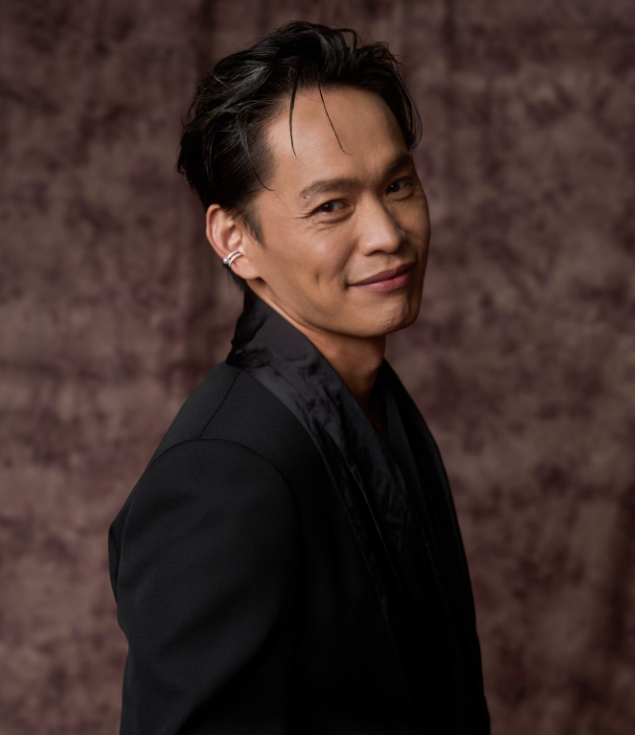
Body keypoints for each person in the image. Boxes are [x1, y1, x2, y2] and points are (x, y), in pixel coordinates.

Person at [108, 20, 490, 734]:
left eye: (398, 185)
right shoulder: (222, 474)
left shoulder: (377, 403)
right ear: (235, 239)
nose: (387, 234)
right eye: (331, 206)